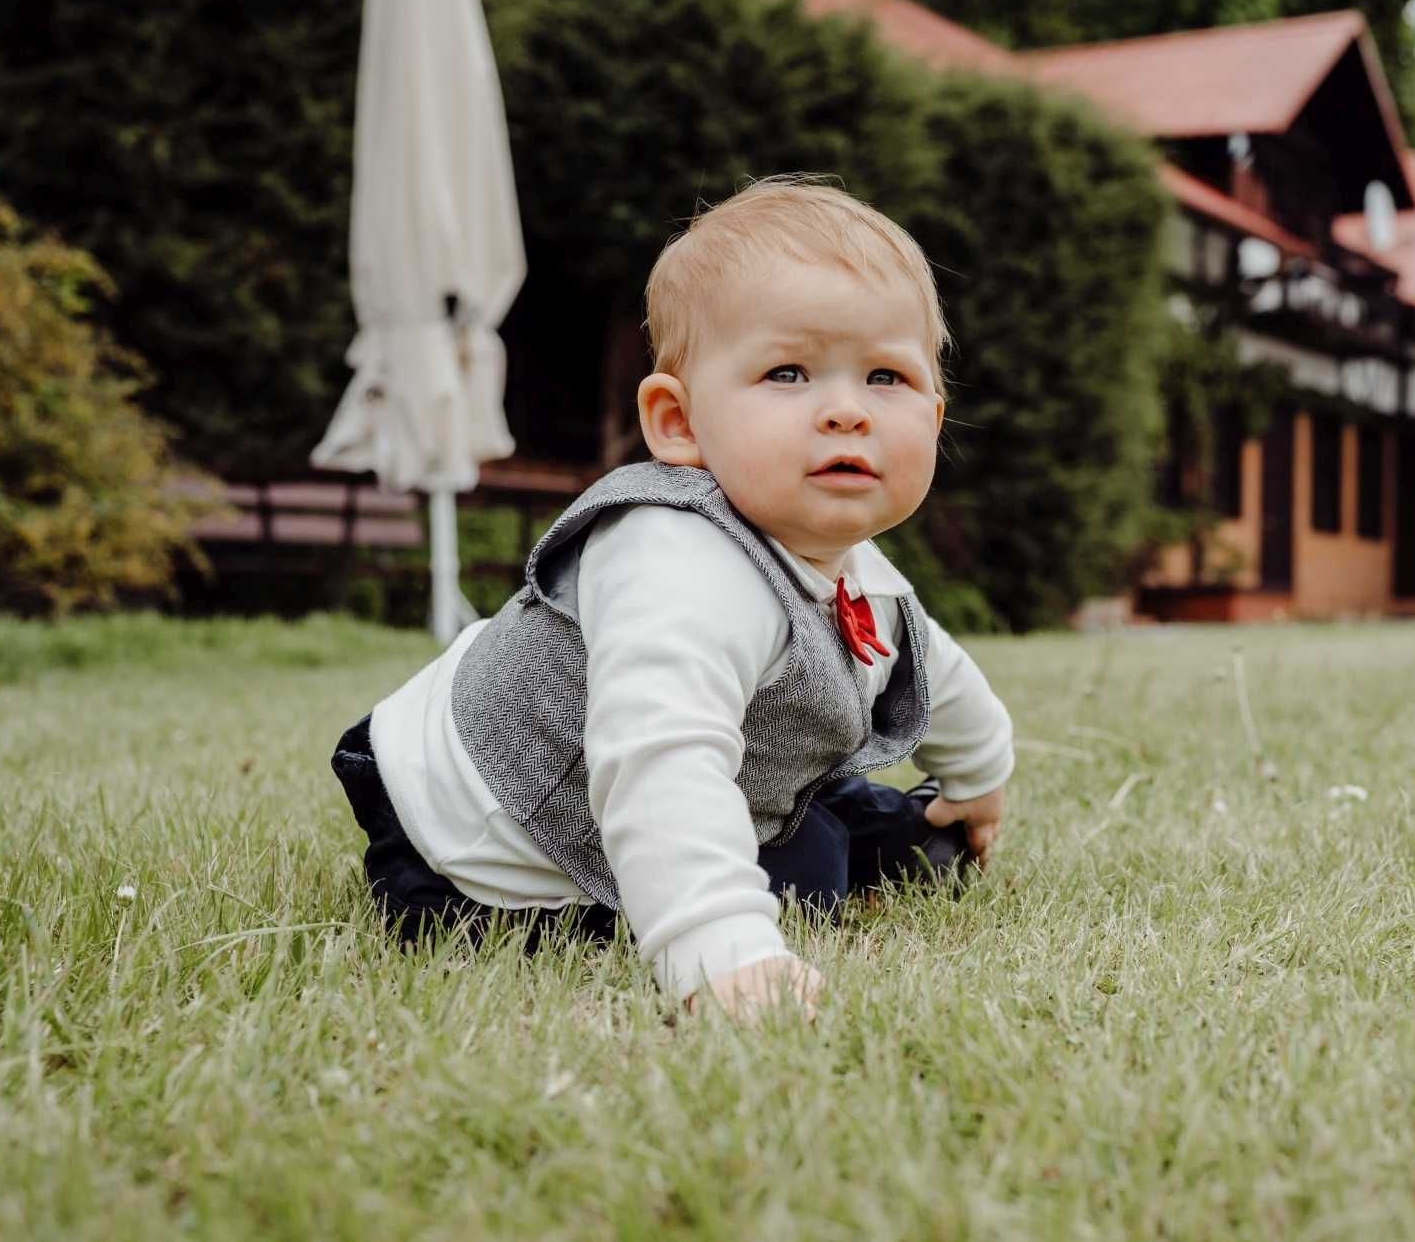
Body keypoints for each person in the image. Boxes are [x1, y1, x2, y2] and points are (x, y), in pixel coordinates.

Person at [330, 178, 1014, 1019]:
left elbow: (924, 656)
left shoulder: (847, 557)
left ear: (935, 417)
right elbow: (659, 762)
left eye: (885, 377)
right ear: (679, 422)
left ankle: (897, 834)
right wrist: (722, 952)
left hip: (686, 767)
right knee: (791, 882)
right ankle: (791, 868)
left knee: (829, 826)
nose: (845, 411)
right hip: (486, 833)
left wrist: (979, 774)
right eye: (788, 371)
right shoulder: (675, 558)